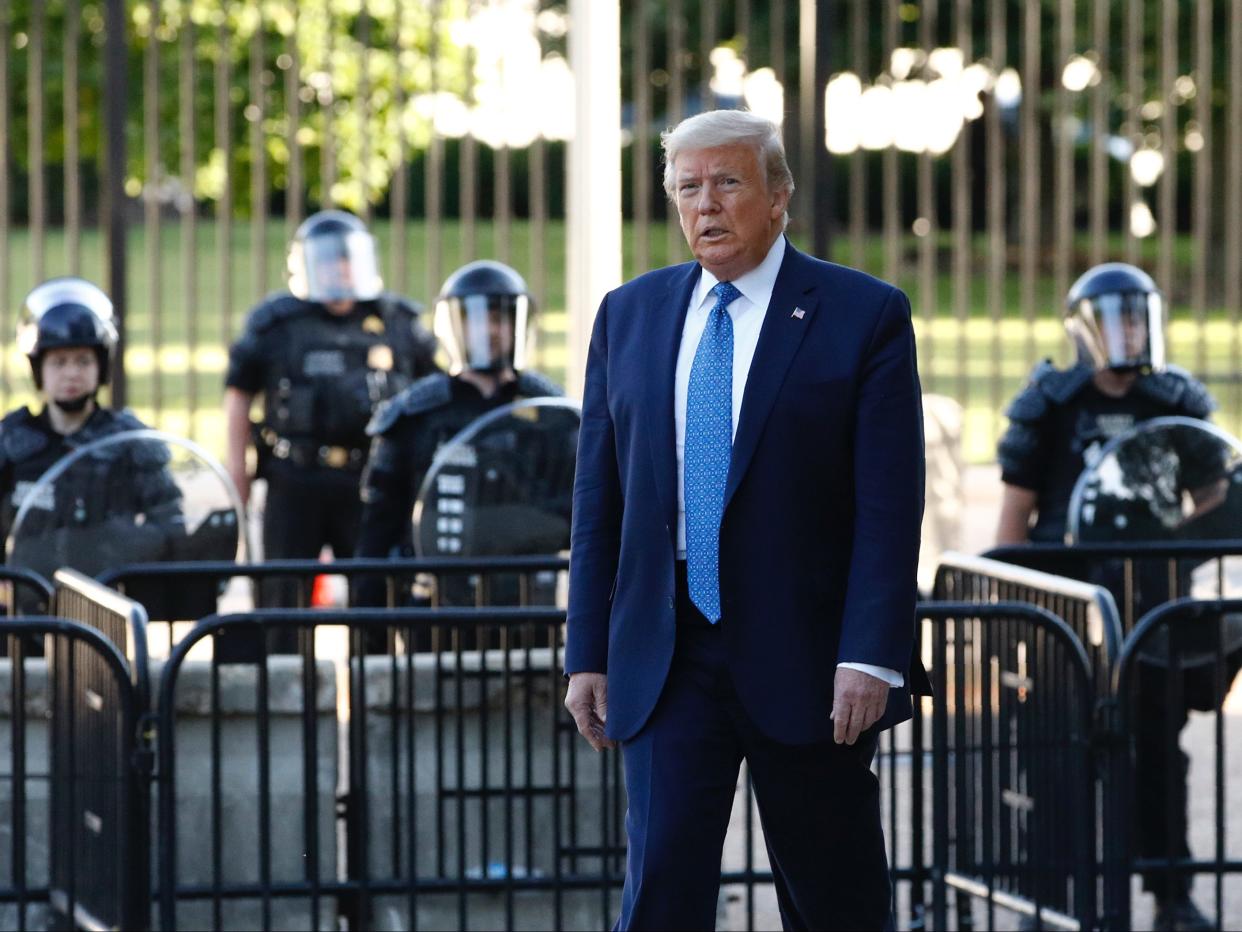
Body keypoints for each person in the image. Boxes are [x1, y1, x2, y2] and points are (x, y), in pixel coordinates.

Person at [563, 109, 928, 930]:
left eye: (728, 182)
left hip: (810, 659)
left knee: (834, 899)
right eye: (687, 188)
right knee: (660, 895)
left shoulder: (863, 314)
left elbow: (889, 506)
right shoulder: (630, 315)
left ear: (779, 196)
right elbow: (599, 503)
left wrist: (870, 655)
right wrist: (586, 651)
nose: (707, 206)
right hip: (666, 651)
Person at [995, 262, 1218, 932]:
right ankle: (1053, 899)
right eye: (1114, 315)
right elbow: (1013, 523)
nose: (1126, 328)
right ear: (1087, 325)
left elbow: (1215, 495)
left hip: (1151, 608)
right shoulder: (1051, 403)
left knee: (1158, 752)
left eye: (1135, 314)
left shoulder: (1175, 401)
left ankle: (1171, 896)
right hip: (1068, 605)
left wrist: (1171, 544)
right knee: (1059, 752)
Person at [224, 210, 438, 605]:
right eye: (327, 264)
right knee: (281, 603)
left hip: (371, 480)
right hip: (294, 479)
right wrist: (237, 470)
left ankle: (368, 668)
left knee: (374, 597)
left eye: (346, 263)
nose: (338, 274)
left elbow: (437, 389)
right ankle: (288, 667)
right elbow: (239, 393)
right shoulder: (277, 324)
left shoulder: (397, 323)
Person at [353, 260, 563, 607]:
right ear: (454, 327)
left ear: (518, 325)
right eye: (476, 320)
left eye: (500, 319)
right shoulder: (415, 415)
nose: (490, 331)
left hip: (528, 602)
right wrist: (369, 631)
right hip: (437, 604)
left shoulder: (549, 413)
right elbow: (379, 526)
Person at [0, 277, 184, 594]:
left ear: (101, 366)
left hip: (108, 606)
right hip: (23, 609)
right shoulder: (11, 442)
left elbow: (170, 527)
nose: (72, 373)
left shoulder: (130, 441)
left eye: (83, 361)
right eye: (59, 362)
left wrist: (121, 539)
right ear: (37, 368)